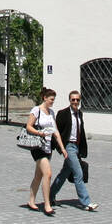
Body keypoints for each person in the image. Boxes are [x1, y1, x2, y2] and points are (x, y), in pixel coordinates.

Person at [49, 89, 98, 211]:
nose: (75, 102)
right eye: (73, 99)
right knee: (78, 173)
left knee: (64, 173)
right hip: (68, 146)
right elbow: (56, 131)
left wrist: (82, 149)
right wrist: (59, 147)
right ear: (69, 100)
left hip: (76, 147)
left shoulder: (79, 113)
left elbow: (81, 132)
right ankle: (86, 202)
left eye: (77, 100)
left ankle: (49, 196)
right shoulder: (63, 113)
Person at [25, 87, 65, 216]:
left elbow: (55, 131)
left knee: (39, 175)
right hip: (38, 146)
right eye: (51, 100)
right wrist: (39, 133)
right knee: (47, 174)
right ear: (45, 98)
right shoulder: (36, 111)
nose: (52, 102)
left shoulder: (51, 113)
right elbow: (28, 126)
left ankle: (31, 201)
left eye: (53, 100)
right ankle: (47, 204)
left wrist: (62, 148)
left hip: (48, 147)